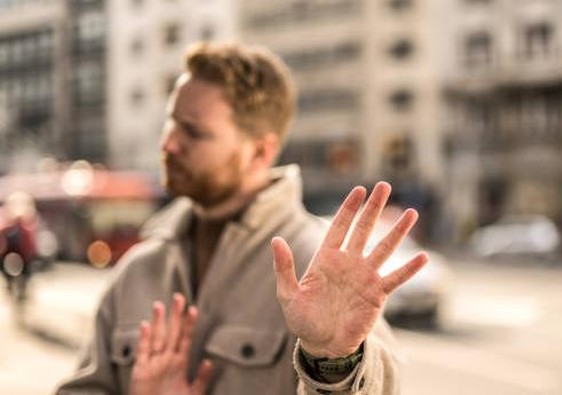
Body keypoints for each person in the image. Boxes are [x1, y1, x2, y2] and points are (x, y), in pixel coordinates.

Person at [56, 41, 428, 394]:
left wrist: (334, 362)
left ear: (259, 153)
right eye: (172, 121)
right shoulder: (139, 267)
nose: (168, 143)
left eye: (194, 132)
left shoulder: (319, 267)